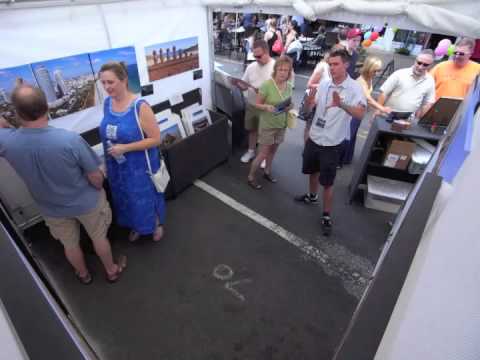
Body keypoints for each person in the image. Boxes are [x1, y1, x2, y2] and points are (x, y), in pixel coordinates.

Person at [0, 86, 126, 284]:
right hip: (86, 202)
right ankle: (111, 270)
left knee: (70, 244)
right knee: (99, 237)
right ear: (46, 107)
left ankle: (83, 275)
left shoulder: (7, 142)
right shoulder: (69, 140)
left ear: (17, 112)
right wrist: (99, 185)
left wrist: (5, 123)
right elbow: (96, 178)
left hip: (50, 207)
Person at [294, 49, 366, 236]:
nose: (332, 68)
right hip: (315, 137)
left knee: (328, 182)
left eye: (336, 64)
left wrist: (341, 104)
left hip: (333, 143)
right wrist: (309, 102)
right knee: (312, 171)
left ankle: (326, 215)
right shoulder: (324, 84)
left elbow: (360, 114)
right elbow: (312, 110)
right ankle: (311, 196)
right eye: (330, 64)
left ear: (346, 65)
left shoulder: (354, 88)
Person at [98, 62, 166, 243]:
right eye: (103, 83)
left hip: (140, 166)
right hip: (118, 166)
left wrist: (125, 148)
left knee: (145, 197)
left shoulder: (140, 106)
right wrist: (106, 162)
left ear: (124, 80)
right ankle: (137, 224)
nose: (106, 87)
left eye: (110, 82)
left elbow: (156, 139)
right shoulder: (107, 103)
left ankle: (155, 224)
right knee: (126, 198)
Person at [247, 56, 294, 189]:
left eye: (286, 70)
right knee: (263, 153)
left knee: (273, 151)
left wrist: (289, 107)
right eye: (281, 69)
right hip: (268, 125)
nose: (283, 72)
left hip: (281, 124)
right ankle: (251, 176)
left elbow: (289, 103)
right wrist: (266, 107)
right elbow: (257, 104)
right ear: (276, 70)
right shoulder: (267, 85)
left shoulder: (289, 86)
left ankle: (267, 172)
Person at [341, 56, 392, 164]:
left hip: (359, 112)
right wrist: (382, 108)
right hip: (352, 112)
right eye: (376, 70)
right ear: (369, 68)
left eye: (379, 71)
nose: (377, 73)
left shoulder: (369, 78)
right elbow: (368, 99)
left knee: (352, 135)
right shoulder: (361, 81)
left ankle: (346, 158)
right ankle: (339, 160)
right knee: (347, 136)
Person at [236, 40, 275, 167]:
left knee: (266, 133)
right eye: (254, 56)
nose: (256, 59)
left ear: (267, 52)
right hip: (252, 104)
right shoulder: (251, 66)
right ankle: (251, 151)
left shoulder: (276, 67)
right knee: (252, 130)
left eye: (259, 56)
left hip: (267, 107)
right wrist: (239, 85)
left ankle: (263, 156)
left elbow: (283, 89)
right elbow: (244, 83)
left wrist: (264, 92)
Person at [378, 49, 436, 118]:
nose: (421, 67)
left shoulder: (430, 81)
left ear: (430, 65)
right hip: (388, 114)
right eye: (419, 63)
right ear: (415, 61)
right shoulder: (399, 74)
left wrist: (420, 120)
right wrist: (378, 111)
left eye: (425, 65)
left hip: (409, 119)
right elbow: (384, 93)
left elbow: (428, 103)